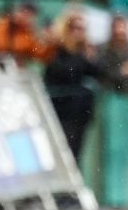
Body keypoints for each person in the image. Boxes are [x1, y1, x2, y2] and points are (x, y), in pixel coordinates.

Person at [43, 11, 102, 162]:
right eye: (75, 28)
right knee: (60, 155)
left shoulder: (83, 53)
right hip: (60, 112)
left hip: (79, 114)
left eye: (82, 29)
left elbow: (99, 71)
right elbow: (64, 71)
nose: (79, 33)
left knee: (75, 155)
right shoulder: (57, 51)